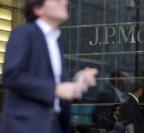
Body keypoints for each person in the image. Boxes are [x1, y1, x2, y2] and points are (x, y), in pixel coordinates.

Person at [0, 0, 98, 133]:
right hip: (27, 126)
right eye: (57, 0)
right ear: (38, 9)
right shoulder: (24, 33)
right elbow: (11, 76)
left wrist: (78, 82)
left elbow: (57, 88)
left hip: (54, 125)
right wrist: (56, 89)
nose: (65, 2)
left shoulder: (55, 41)